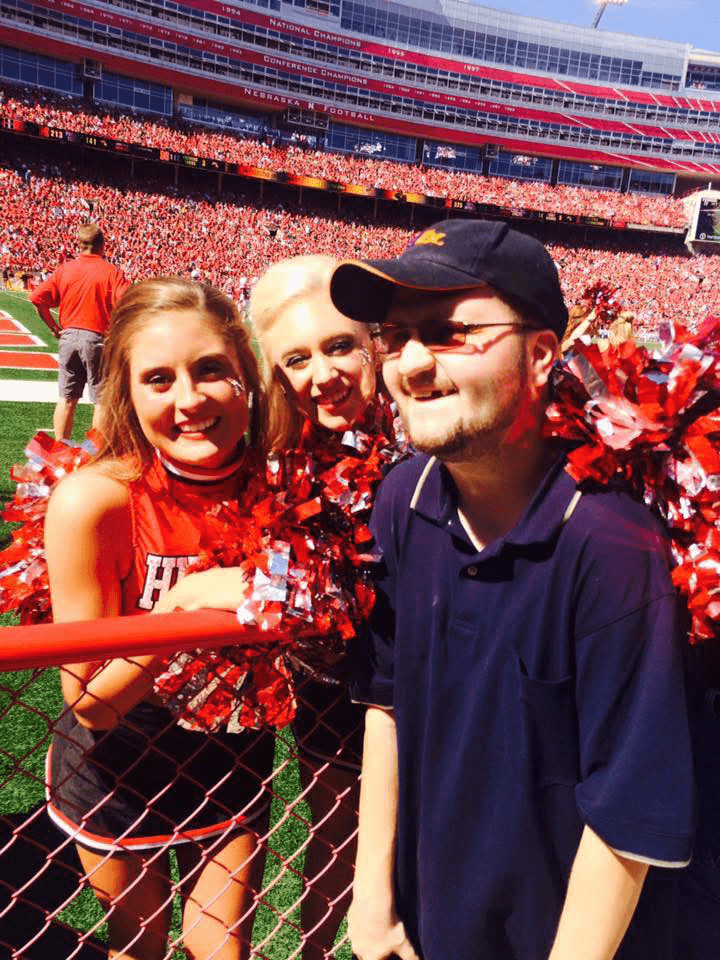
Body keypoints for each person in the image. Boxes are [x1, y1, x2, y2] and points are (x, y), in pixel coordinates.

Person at [328, 219, 694, 960]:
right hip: (426, 925)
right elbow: (386, 703)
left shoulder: (610, 543)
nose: (412, 363)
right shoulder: (403, 497)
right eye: (395, 337)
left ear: (540, 354)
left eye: (449, 333)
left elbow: (629, 807)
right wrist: (371, 899)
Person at [156, 254, 383, 960]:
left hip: (440, 687)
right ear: (276, 375)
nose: (323, 374)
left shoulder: (433, 430)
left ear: (375, 342)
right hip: (335, 688)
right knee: (338, 838)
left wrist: (220, 589)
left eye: (339, 345)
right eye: (297, 359)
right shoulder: (277, 450)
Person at [43, 278, 274, 960]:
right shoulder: (96, 502)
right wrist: (181, 606)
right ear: (127, 392)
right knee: (139, 947)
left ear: (246, 376)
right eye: (158, 379)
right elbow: (90, 703)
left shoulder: (284, 484)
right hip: (117, 767)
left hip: (231, 751)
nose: (190, 399)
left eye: (211, 369)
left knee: (223, 952)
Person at [29, 222, 129, 439]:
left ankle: (60, 447)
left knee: (66, 399)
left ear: (80, 244)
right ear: (102, 245)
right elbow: (128, 304)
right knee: (101, 402)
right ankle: (94, 451)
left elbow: (36, 298)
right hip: (97, 339)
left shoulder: (65, 269)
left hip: (68, 337)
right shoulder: (112, 272)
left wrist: (53, 327)